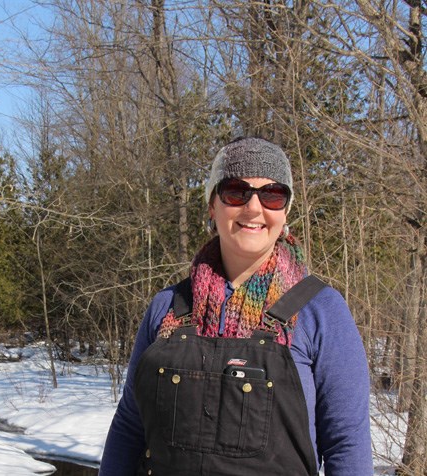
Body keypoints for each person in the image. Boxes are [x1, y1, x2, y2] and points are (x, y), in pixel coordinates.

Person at [99, 137, 373, 476]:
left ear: (285, 211)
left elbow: (347, 443)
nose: (254, 208)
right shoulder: (167, 307)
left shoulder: (321, 311)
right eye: (235, 191)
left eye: (272, 194)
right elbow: (130, 425)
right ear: (212, 206)